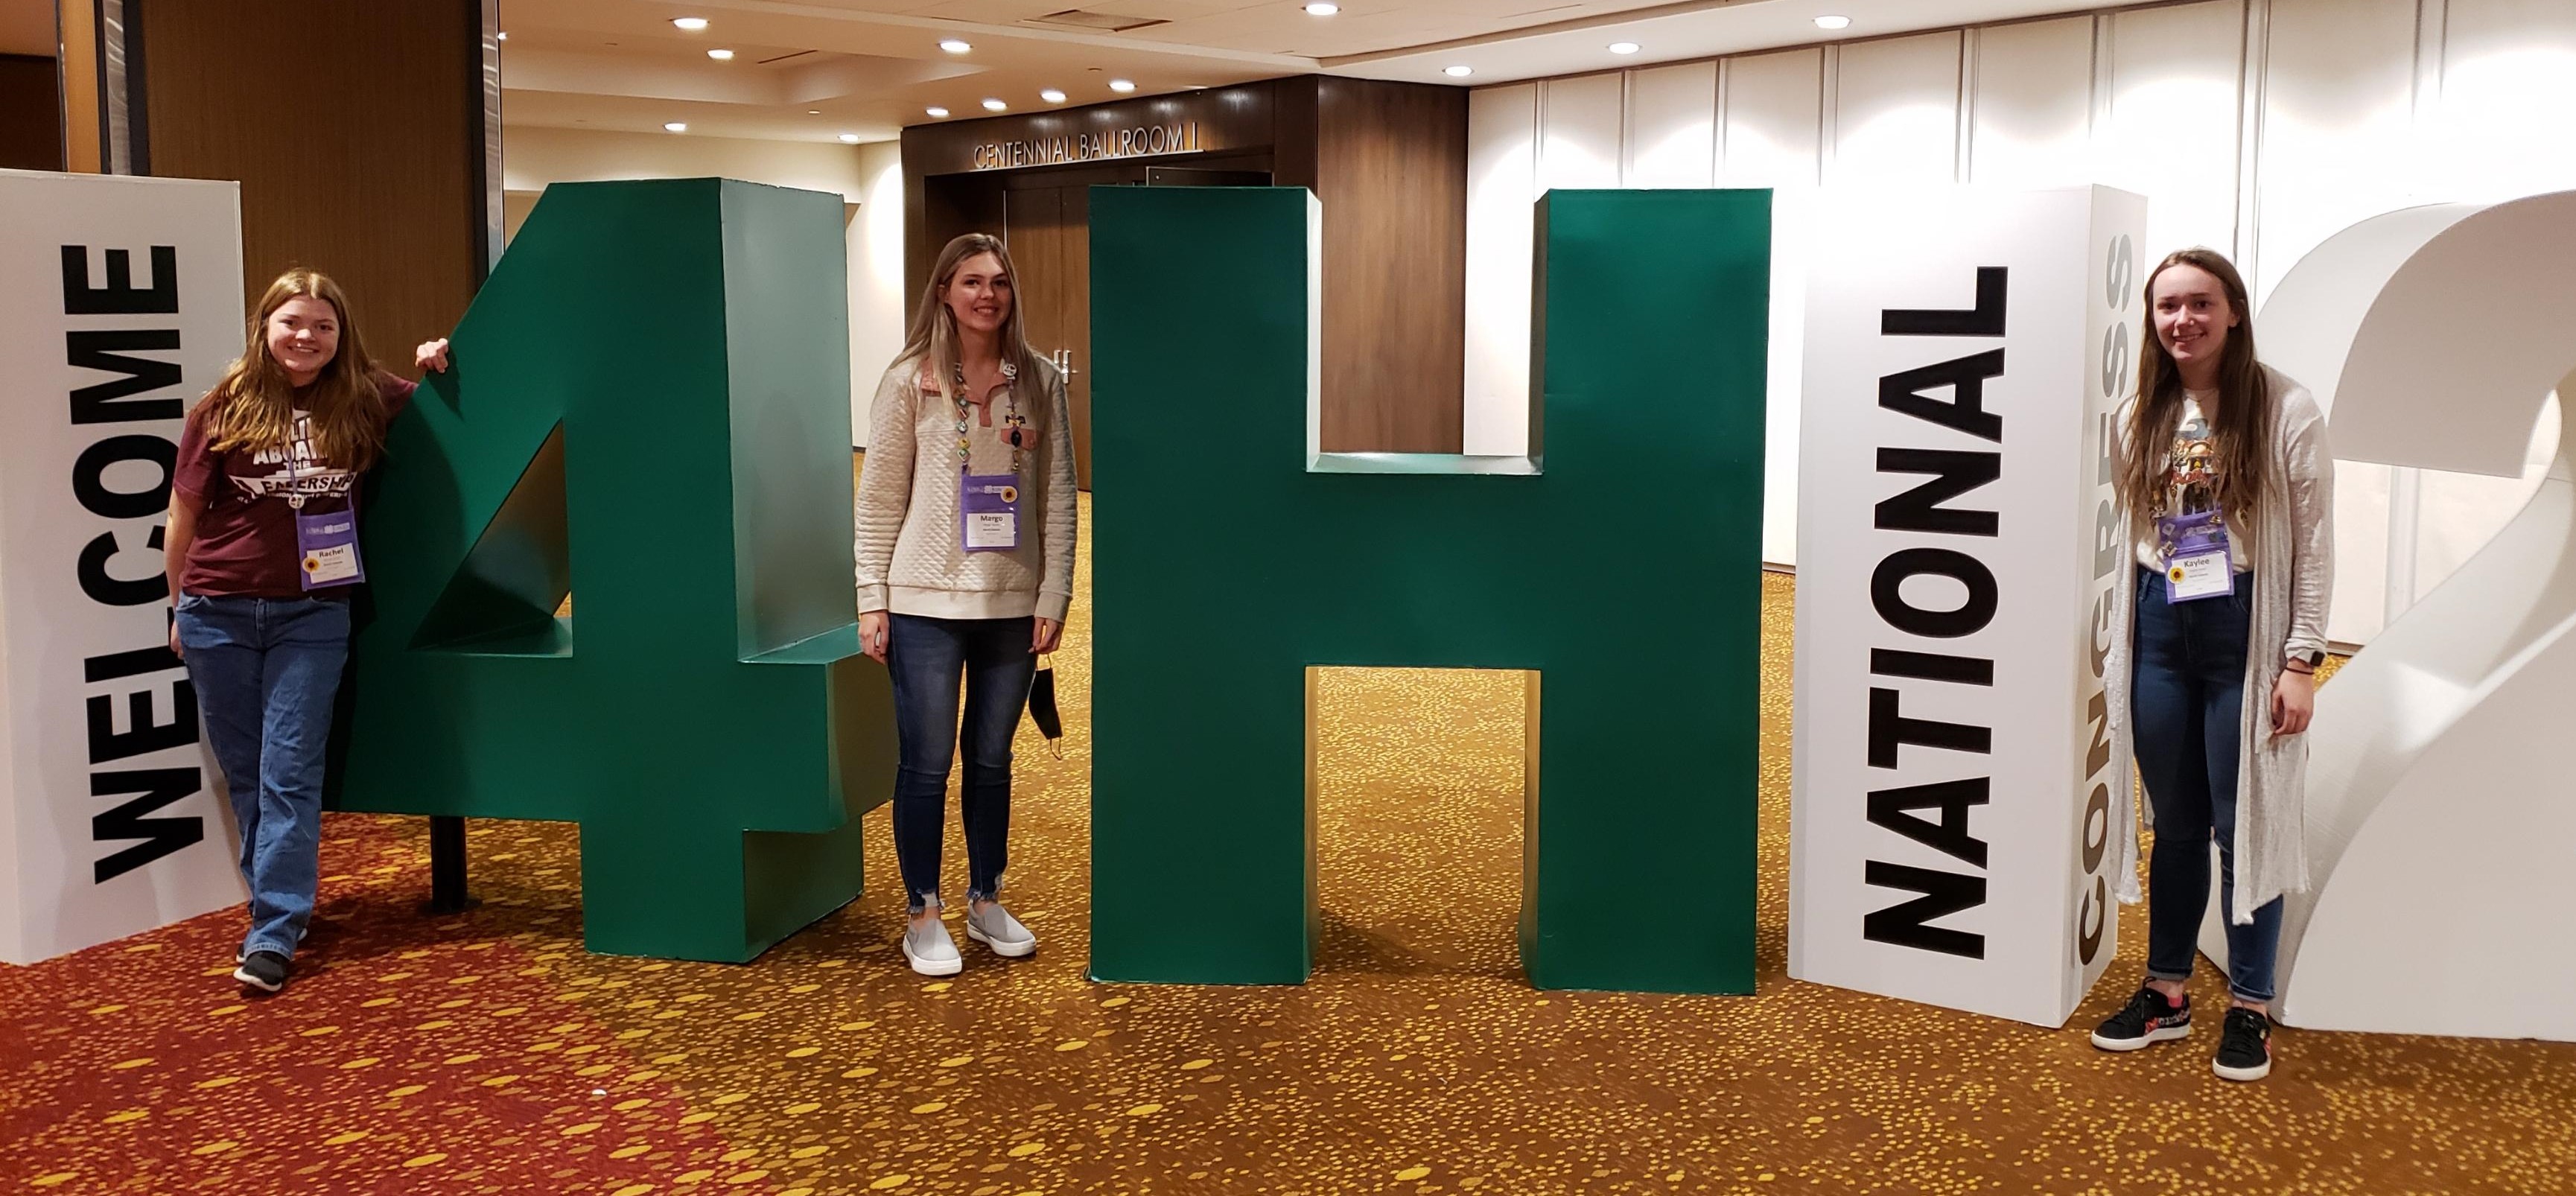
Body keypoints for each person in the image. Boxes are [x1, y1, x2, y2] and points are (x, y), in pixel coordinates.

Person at [2089, 248, 2334, 1082]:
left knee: (2247, 821)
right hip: (2162, 626)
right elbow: (2136, 539)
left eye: (2200, 303)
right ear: (2152, 320)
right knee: (2177, 822)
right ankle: (2166, 992)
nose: (2182, 320)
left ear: (2232, 310)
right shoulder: (2137, 414)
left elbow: (2313, 544)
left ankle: (2252, 1003)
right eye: (2167, 307)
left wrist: (2300, 657)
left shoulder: (2284, 407)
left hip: (2244, 626)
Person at [166, 268, 443, 994]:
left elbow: (442, 409)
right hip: (217, 610)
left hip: (314, 616)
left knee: (291, 771)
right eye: (292, 322)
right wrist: (176, 610)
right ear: (265, 326)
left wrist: (437, 357)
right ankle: (275, 908)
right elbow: (182, 521)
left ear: (340, 334)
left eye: (323, 325)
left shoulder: (365, 396)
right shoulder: (221, 407)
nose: (306, 337)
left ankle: (274, 932)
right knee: (250, 774)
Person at [854, 233, 1076, 976]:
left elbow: (1057, 500)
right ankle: (923, 912)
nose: (988, 295)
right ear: (945, 291)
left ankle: (986, 899)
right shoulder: (906, 382)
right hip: (921, 604)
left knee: (991, 760)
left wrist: (1055, 592)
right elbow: (880, 497)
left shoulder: (1041, 382)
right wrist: (872, 598)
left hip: (1012, 604)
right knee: (925, 763)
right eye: (972, 281)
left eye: (1000, 283)